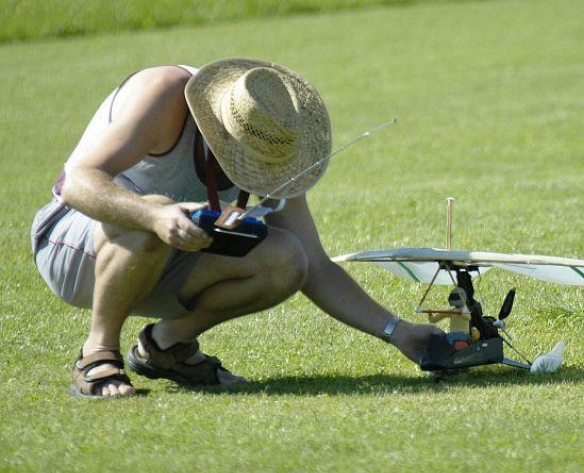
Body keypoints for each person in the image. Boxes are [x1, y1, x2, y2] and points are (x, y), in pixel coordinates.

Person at [30, 58, 442, 399]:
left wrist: (398, 332)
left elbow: (314, 264)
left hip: (162, 262)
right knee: (152, 210)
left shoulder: (274, 142)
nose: (257, 170)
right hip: (71, 246)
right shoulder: (163, 92)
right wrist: (154, 216)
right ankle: (97, 354)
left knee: (286, 257)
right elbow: (77, 182)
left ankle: (166, 347)